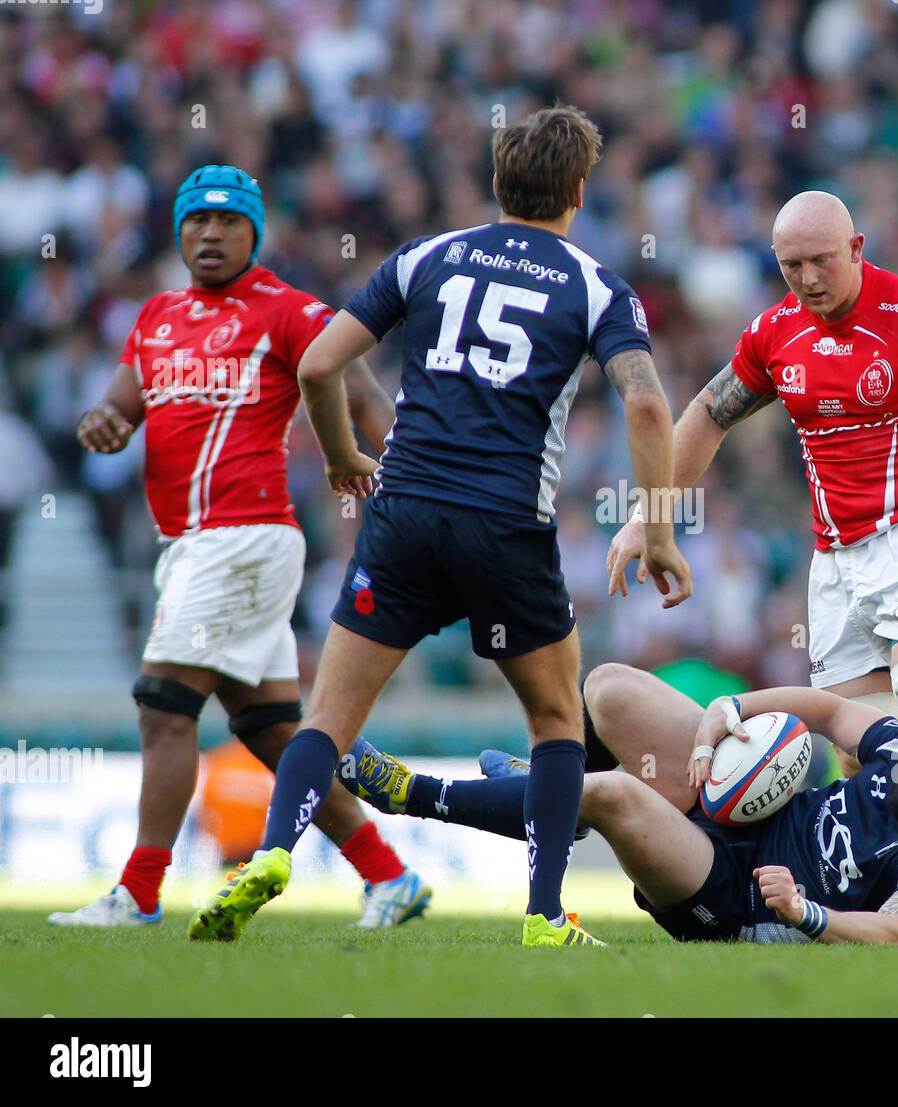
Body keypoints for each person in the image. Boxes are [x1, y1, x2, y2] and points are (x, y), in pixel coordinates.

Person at [189, 107, 692, 947]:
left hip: (405, 513)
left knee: (328, 717)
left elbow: (319, 362)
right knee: (557, 722)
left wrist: (346, 453)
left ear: (497, 185)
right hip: (505, 525)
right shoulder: (597, 283)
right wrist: (659, 524)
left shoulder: (427, 256)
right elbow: (644, 398)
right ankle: (543, 915)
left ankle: (272, 853)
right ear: (578, 190)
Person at [607, 190, 898, 938]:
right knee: (858, 752)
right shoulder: (775, 332)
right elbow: (708, 416)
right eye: (790, 265)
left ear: (858, 247)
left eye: (820, 260)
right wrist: (649, 514)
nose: (807, 278)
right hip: (837, 561)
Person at [52, 165, 430, 930]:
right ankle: (390, 875)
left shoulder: (286, 309)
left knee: (163, 707)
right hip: (195, 543)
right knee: (268, 729)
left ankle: (141, 890)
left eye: (228, 222)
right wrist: (102, 421)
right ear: (178, 231)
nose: (211, 234)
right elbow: (120, 409)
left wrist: (407, 481)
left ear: (254, 231)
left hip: (241, 534)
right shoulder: (155, 316)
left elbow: (359, 392)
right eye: (197, 221)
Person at [338, 662, 898, 946]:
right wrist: (730, 709)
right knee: (609, 686)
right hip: (749, 808)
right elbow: (828, 710)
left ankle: (412, 793)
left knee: (613, 793)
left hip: (732, 896)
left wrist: (806, 911)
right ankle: (553, 792)